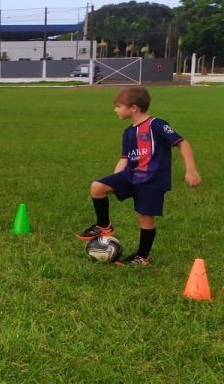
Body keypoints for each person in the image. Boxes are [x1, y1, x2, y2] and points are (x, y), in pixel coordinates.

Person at [77, 87, 201, 266]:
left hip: (152, 181)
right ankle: (104, 225)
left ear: (133, 108)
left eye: (119, 106)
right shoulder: (128, 132)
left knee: (144, 217)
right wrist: (115, 180)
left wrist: (191, 169)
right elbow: (124, 158)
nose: (115, 110)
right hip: (130, 175)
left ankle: (142, 257)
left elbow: (182, 144)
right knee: (97, 187)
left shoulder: (156, 125)